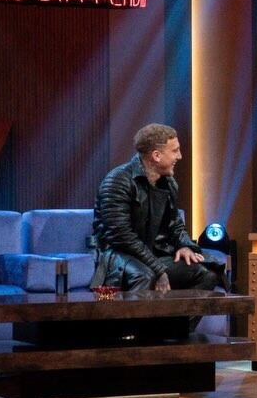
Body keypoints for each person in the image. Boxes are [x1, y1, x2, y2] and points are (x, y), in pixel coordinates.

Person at [90, 123, 221, 293]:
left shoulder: (169, 183)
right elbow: (121, 236)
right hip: (119, 255)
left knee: (208, 272)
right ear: (157, 156)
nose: (180, 156)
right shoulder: (117, 181)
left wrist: (185, 246)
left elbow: (175, 224)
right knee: (145, 275)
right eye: (175, 151)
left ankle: (174, 313)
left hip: (154, 255)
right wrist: (159, 269)